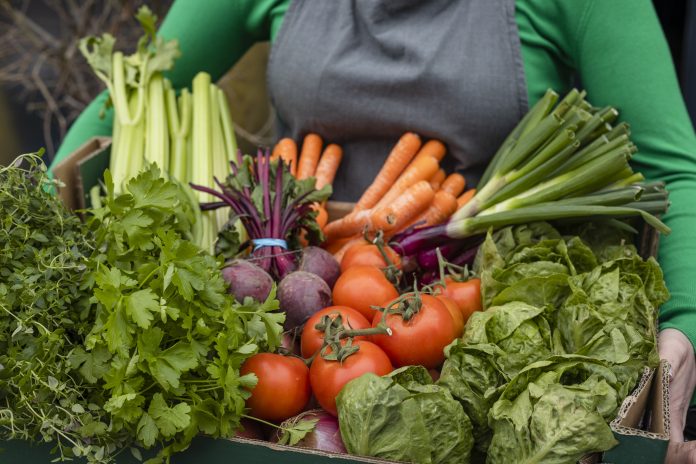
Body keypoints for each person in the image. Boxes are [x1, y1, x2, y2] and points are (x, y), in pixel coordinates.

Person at [52, 1, 696, 460]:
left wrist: (683, 326)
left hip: (474, 303)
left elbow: (672, 170)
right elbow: (132, 93)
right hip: (294, 281)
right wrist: (44, 210)